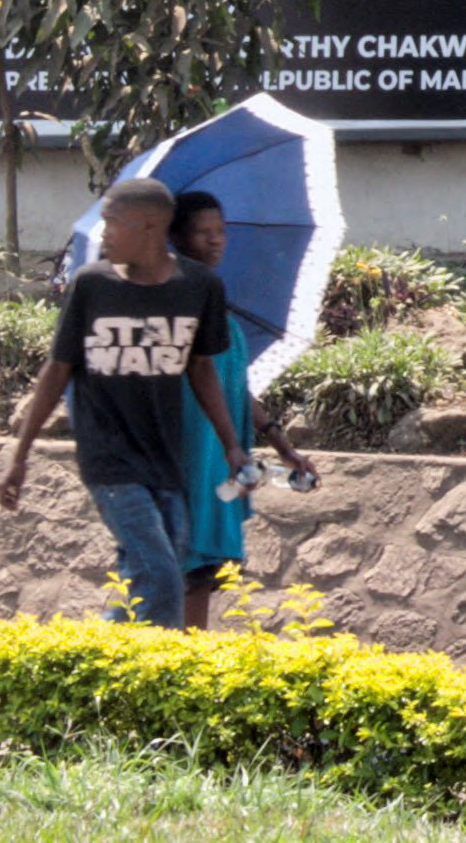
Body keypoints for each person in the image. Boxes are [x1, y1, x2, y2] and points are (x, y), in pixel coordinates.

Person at [0, 177, 251, 627]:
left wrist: (232, 444)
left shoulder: (199, 287)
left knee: (156, 574)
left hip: (166, 460)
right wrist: (19, 455)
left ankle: (115, 667)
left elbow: (203, 369)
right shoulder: (91, 286)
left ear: (150, 228)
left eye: (113, 223)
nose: (104, 234)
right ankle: (135, 670)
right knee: (160, 574)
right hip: (109, 459)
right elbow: (57, 371)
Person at [168, 189, 318, 626]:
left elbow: (235, 387)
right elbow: (197, 380)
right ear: (177, 237)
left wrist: (280, 443)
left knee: (202, 573)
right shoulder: (173, 306)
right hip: (192, 456)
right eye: (203, 232)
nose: (216, 241)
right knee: (182, 568)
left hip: (222, 461)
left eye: (221, 231)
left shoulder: (221, 312)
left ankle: (183, 661)